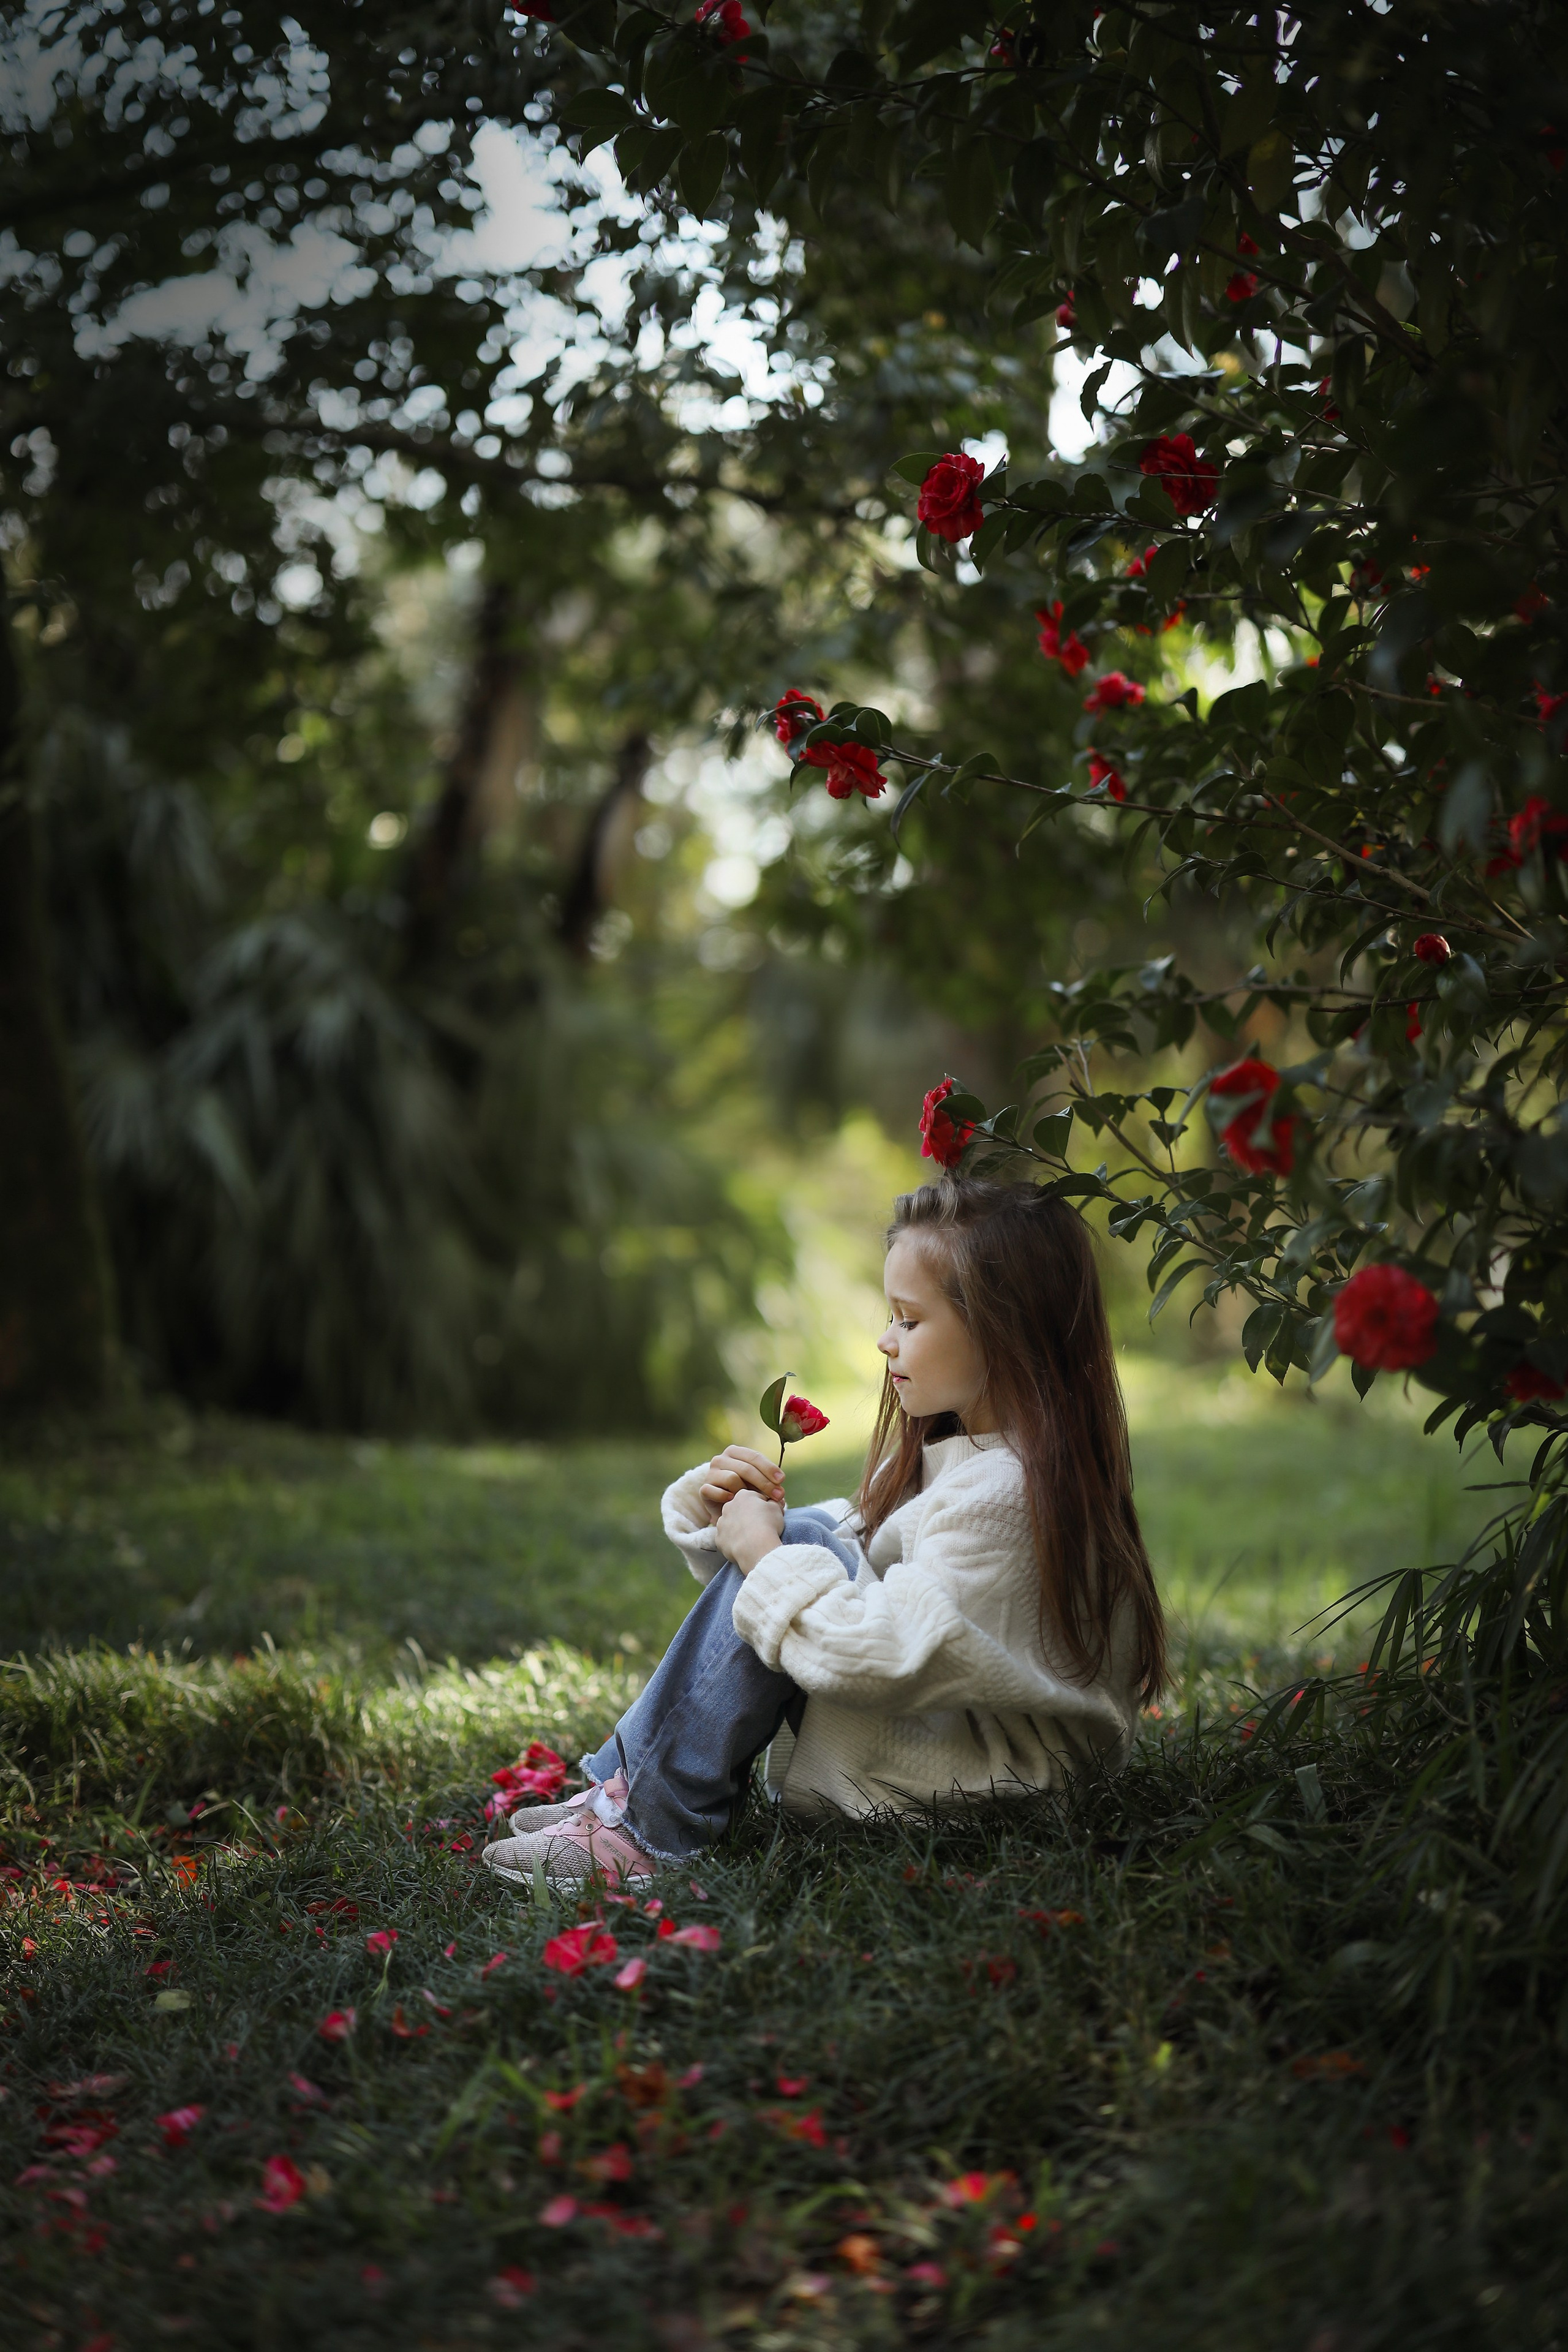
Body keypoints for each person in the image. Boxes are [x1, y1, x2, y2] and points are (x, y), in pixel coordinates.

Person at [481, 1177, 1165, 1889]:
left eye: (908, 1319)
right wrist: (722, 1512)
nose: (883, 1340)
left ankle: (643, 1828)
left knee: (796, 1554)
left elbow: (878, 1657)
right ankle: (623, 1795)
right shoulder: (994, 1462)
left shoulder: (1005, 1494)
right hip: (962, 1745)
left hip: (991, 1784)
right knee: (808, 1535)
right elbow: (840, 1544)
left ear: (1004, 1326)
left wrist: (761, 1551)